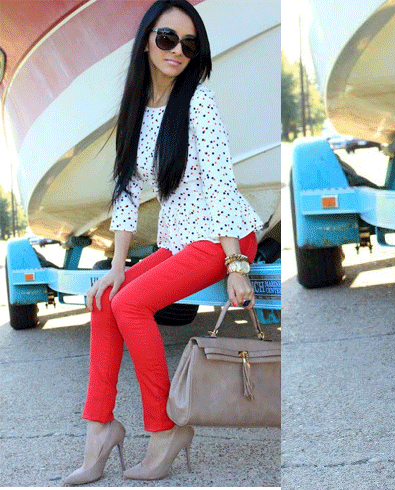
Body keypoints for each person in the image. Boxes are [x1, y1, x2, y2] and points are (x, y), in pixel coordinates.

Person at [64, 0, 263, 484]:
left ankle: (165, 429)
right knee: (108, 297)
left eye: (189, 45)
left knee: (130, 305)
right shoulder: (137, 110)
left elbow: (220, 182)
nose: (178, 51)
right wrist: (116, 264)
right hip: (180, 242)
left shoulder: (198, 100)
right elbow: (127, 193)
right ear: (147, 39)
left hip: (224, 237)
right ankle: (100, 429)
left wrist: (236, 262)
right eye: (168, 39)